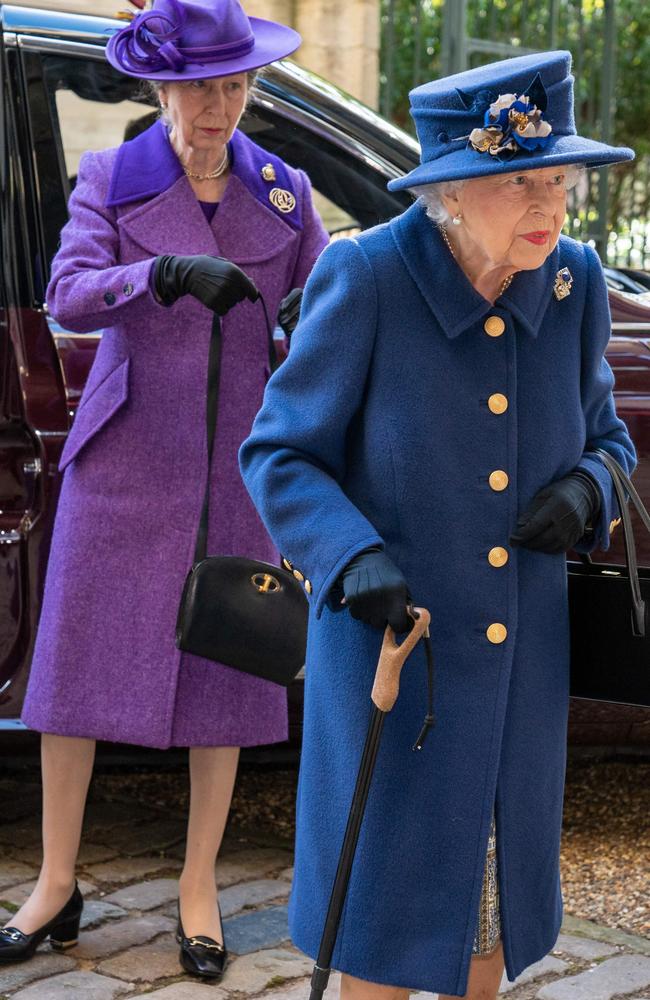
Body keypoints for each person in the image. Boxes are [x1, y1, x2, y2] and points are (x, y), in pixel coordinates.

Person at [239, 50, 636, 1000]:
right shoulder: (369, 279)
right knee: (380, 935)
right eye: (518, 183)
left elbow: (611, 440)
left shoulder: (573, 283)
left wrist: (589, 490)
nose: (551, 205)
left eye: (560, 179)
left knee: (486, 935)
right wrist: (349, 553)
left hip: (517, 687)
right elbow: (278, 453)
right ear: (451, 195)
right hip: (398, 669)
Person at [2, 0, 328, 981]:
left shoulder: (284, 193)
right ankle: (56, 881)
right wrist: (162, 274)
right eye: (200, 84)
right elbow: (68, 291)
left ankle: (196, 885)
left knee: (224, 671)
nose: (220, 103)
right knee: (73, 678)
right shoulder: (112, 176)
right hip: (124, 456)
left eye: (236, 83)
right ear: (160, 87)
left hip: (234, 460)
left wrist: (306, 323)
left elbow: (323, 309)